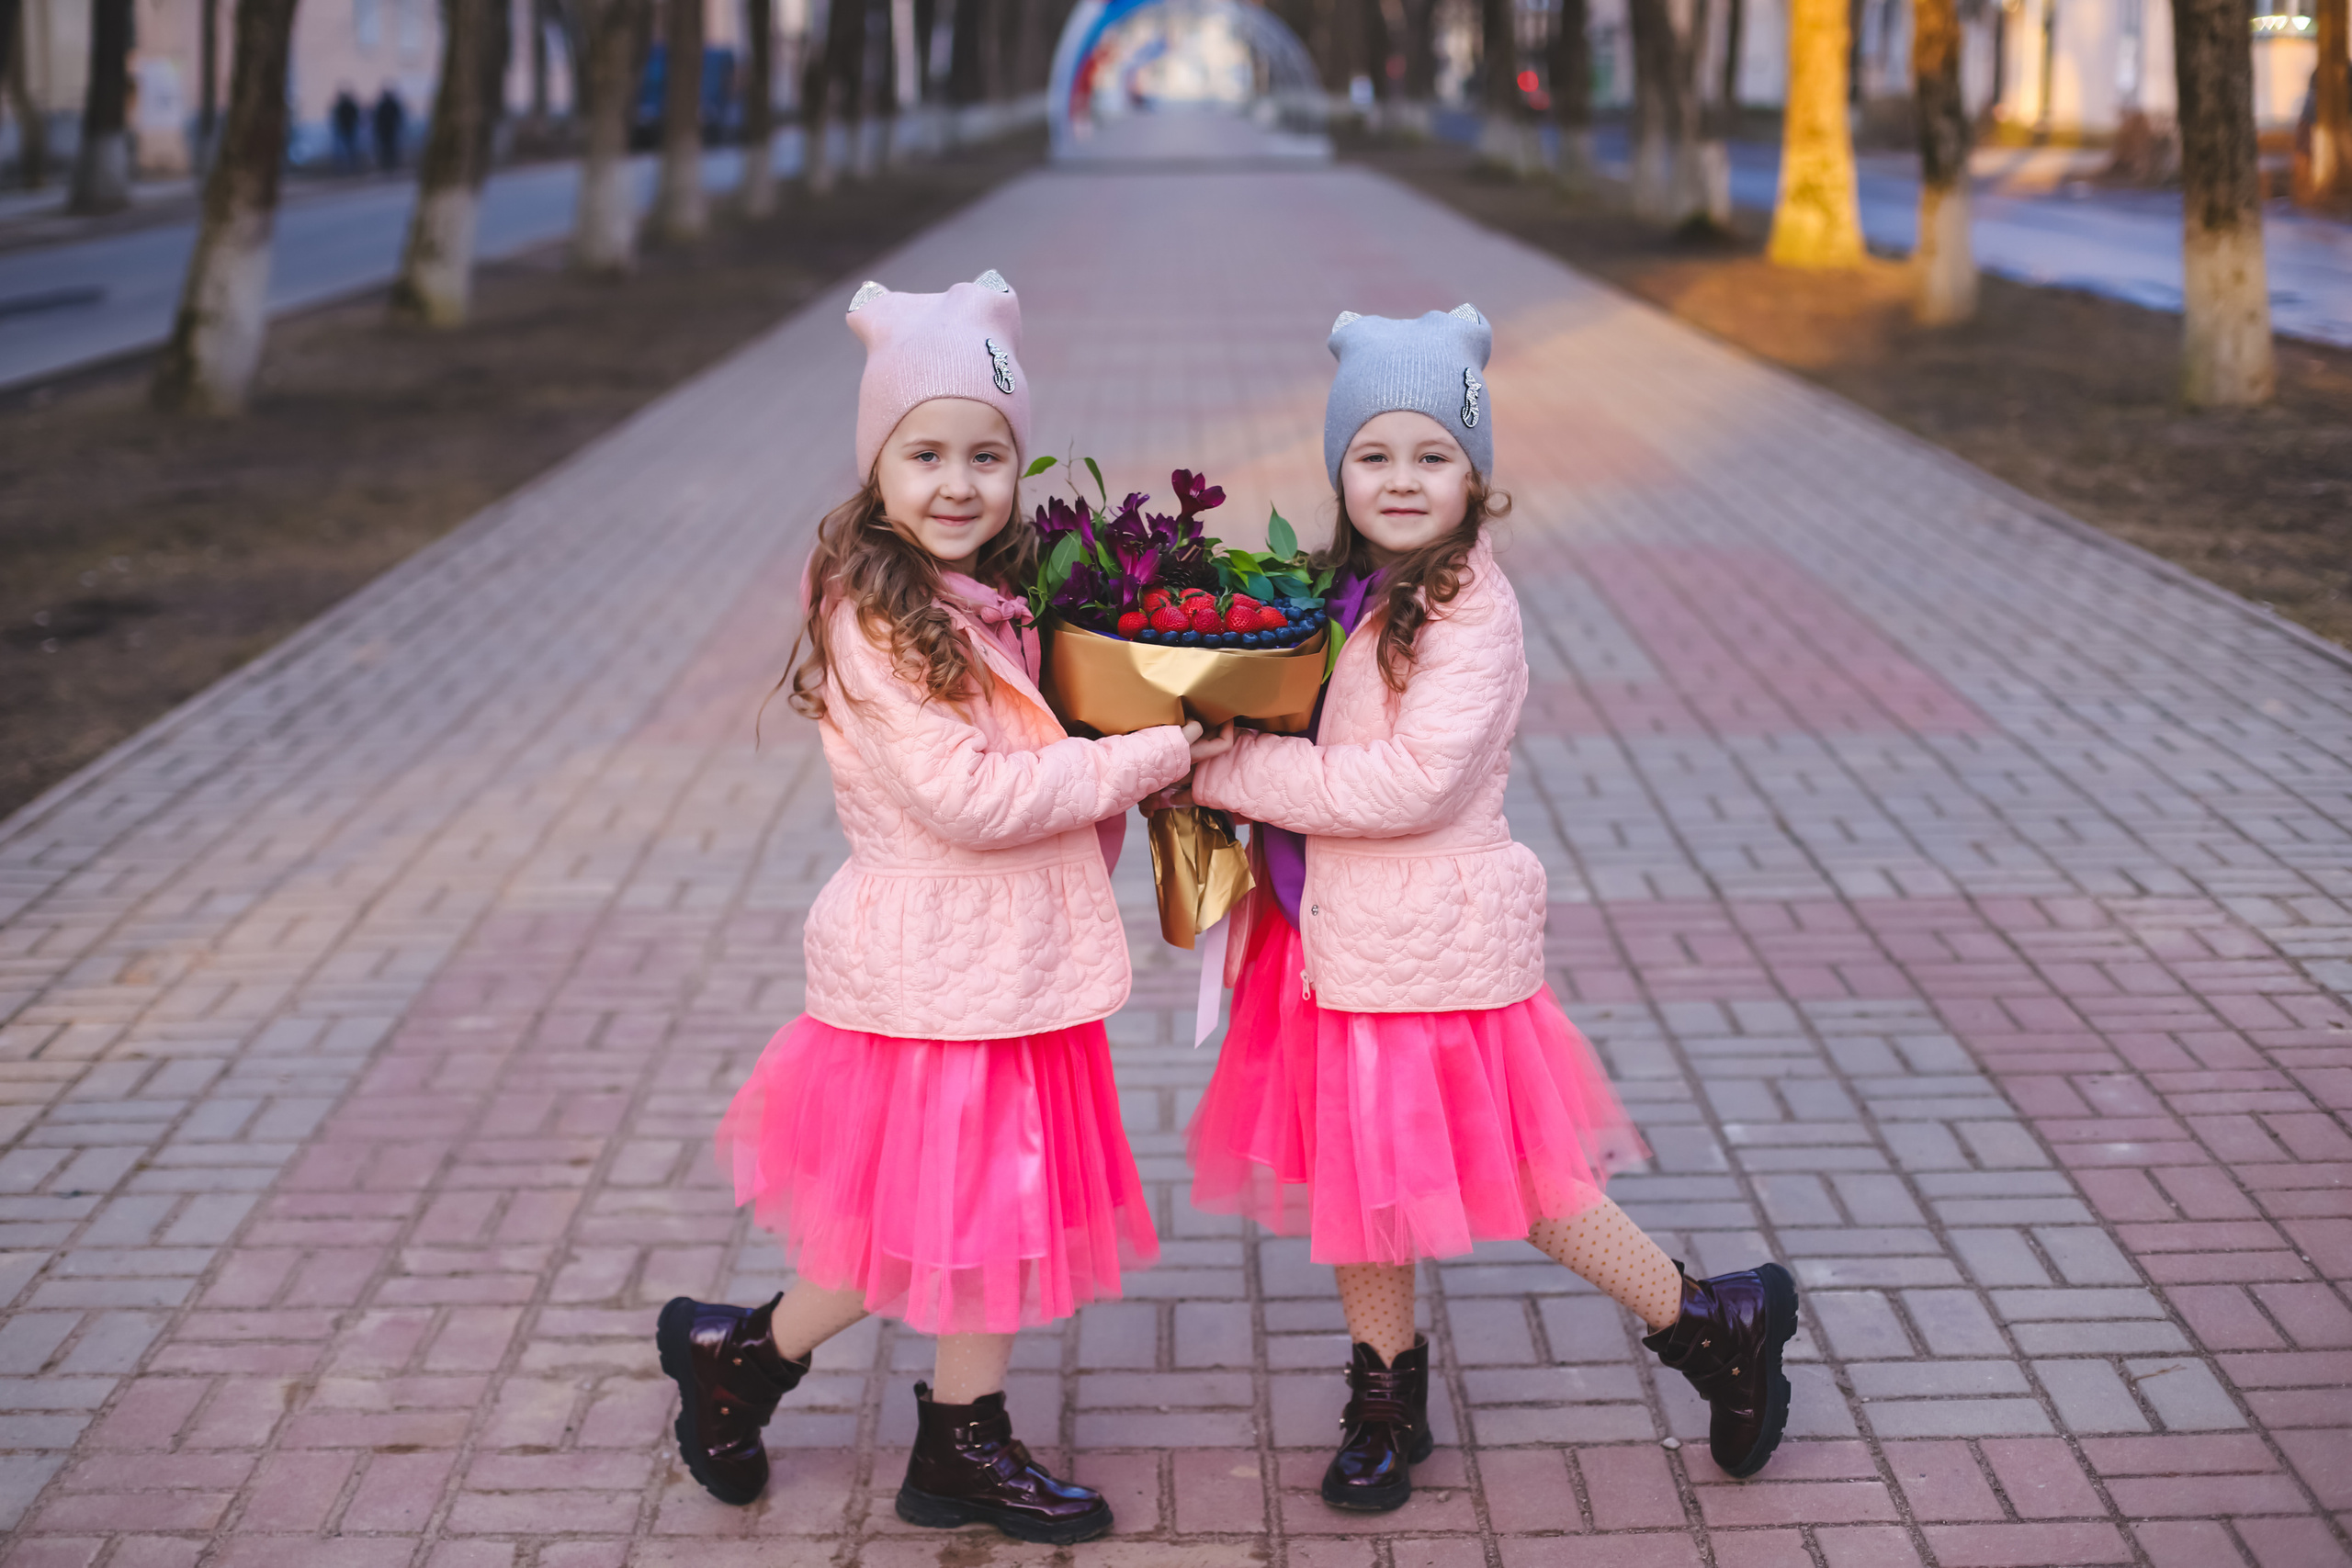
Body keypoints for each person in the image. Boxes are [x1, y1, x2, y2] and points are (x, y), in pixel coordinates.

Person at [1182, 305, 1801, 1512]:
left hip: (1432, 944)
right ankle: (1386, 1384)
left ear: (1476, 474)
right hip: (1330, 939)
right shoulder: (1345, 587)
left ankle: (1712, 1320)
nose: (1401, 479)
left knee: (1518, 1176)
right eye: (1374, 455)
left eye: (1432, 456)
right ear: (1338, 470)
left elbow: (1410, 783)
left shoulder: (1470, 608)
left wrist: (1224, 770)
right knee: (1355, 1172)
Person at [654, 271, 1230, 1544]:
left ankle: (943, 1431)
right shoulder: (876, 611)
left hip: (1006, 965)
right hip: (932, 971)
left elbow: (1038, 760)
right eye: (925, 452)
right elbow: (968, 795)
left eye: (986, 452)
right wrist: (1151, 754)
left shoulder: (999, 598)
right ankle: (744, 1358)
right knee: (931, 1217)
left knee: (989, 1212)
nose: (957, 481)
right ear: (877, 469)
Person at [371, 85, 405, 170]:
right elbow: (398, 116)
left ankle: (389, 164)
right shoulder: (390, 105)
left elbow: (377, 118)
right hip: (389, 129)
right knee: (390, 147)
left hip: (386, 130)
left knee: (387, 148)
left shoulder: (383, 105)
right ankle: (390, 164)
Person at [330, 87, 364, 172]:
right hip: (347, 130)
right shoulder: (348, 106)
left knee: (346, 150)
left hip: (346, 130)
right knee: (348, 150)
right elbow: (356, 116)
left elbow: (337, 118)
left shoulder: (341, 106)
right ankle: (350, 167)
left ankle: (347, 168)